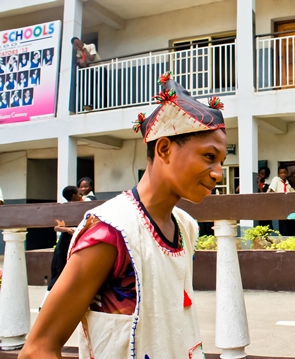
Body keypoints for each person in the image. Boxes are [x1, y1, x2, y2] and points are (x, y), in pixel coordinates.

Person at [19, 72, 227, 358]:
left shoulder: (186, 226)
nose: (218, 173)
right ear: (164, 148)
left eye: (221, 162)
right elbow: (38, 349)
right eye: (208, 157)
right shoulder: (110, 231)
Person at [40, 186, 84, 310]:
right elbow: (57, 226)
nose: (81, 194)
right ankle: (45, 304)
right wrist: (67, 229)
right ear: (73, 196)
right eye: (78, 193)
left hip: (77, 243)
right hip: (65, 244)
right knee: (59, 271)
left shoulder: (83, 207)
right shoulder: (65, 209)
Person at [268, 165, 295, 236]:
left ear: (287, 173)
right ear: (278, 174)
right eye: (281, 173)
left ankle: (292, 241)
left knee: (292, 225)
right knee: (284, 227)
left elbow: (294, 194)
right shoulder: (276, 180)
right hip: (281, 207)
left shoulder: (287, 184)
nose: (283, 174)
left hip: (289, 208)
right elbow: (272, 191)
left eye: (284, 173)